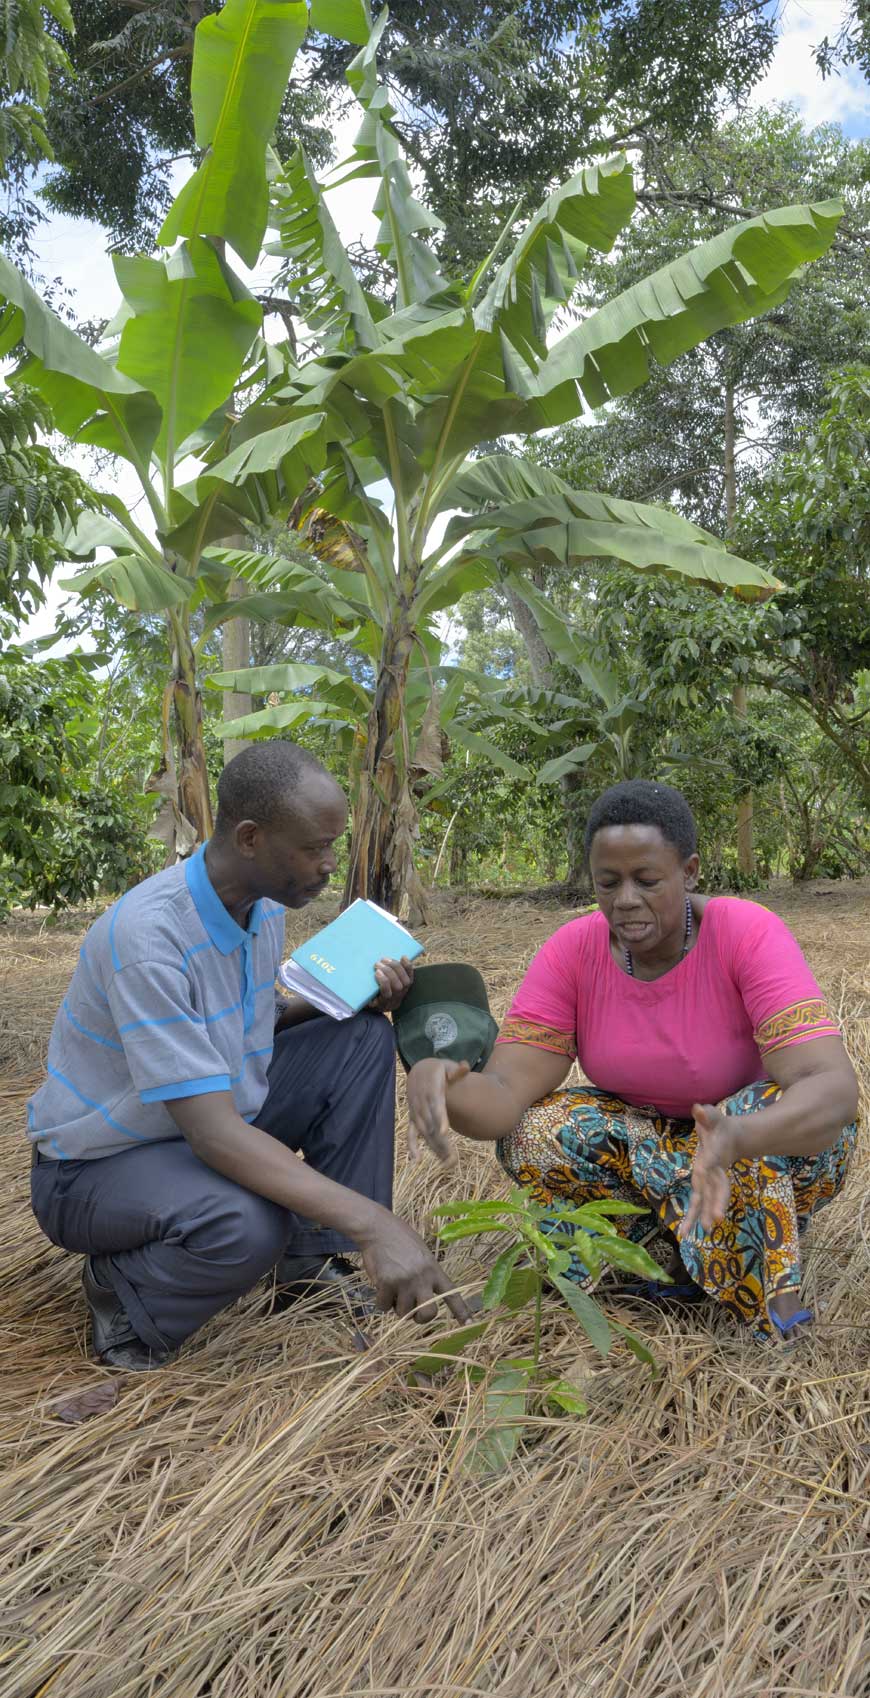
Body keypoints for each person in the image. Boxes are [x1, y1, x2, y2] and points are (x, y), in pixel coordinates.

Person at [28, 740, 468, 1371]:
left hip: (201, 1121)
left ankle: (309, 1268)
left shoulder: (259, 909)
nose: (329, 865)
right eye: (315, 847)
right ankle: (124, 1295)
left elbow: (254, 1022)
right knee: (250, 1223)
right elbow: (212, 1136)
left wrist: (351, 999)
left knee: (360, 1039)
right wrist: (376, 1222)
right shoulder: (149, 939)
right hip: (98, 1167)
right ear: (251, 838)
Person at [407, 780, 859, 1342]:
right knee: (534, 1130)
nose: (624, 899)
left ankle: (770, 1299)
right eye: (608, 882)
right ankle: (626, 1260)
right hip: (656, 1149)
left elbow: (831, 1090)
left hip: (761, 1148)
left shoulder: (745, 932)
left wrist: (739, 1136)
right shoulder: (574, 950)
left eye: (646, 881)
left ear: (689, 872)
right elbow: (503, 1098)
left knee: (755, 1108)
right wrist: (443, 1080)